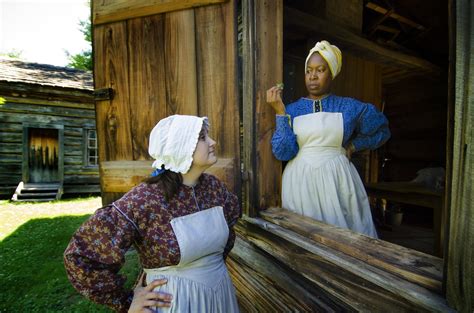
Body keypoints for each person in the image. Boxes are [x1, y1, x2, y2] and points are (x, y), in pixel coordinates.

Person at [64, 115, 241, 312]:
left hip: (220, 295)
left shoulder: (214, 188)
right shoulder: (145, 199)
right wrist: (125, 301)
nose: (212, 142)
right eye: (202, 137)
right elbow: (81, 256)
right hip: (176, 301)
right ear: (180, 146)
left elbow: (228, 232)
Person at [266, 40, 390, 238]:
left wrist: (355, 145)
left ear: (331, 73)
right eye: (308, 70)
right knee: (305, 238)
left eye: (320, 70)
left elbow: (382, 130)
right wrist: (280, 113)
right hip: (300, 181)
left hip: (338, 180)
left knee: (345, 236)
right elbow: (283, 152)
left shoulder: (349, 107)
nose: (313, 76)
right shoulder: (291, 110)